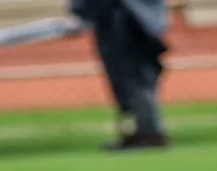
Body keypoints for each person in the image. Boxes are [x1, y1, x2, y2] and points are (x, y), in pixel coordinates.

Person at [70, 0, 169, 151]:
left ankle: (149, 132)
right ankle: (144, 130)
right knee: (136, 78)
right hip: (134, 21)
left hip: (126, 21)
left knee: (135, 78)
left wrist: (83, 12)